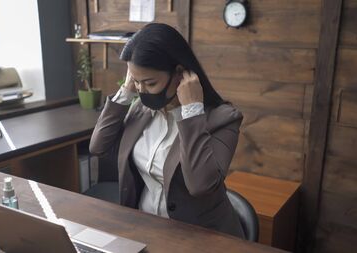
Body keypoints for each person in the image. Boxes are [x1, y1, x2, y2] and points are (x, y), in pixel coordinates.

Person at [89, 23, 245, 238]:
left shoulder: (223, 118)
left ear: (180, 73)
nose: (142, 91)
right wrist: (126, 91)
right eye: (137, 81)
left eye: (150, 83)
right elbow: (98, 147)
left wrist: (191, 112)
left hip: (202, 237)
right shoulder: (140, 110)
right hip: (147, 227)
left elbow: (200, 185)